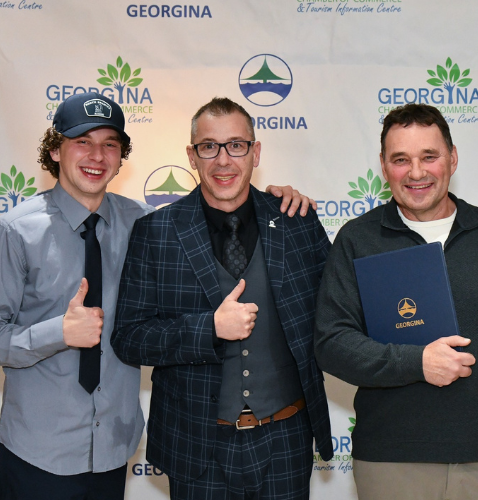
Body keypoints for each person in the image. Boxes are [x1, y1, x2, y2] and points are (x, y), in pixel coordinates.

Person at [0, 93, 312, 500]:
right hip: (37, 451)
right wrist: (56, 332)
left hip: (113, 447)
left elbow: (213, 209)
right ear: (56, 149)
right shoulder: (15, 231)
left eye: (109, 144)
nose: (97, 155)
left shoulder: (142, 222)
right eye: (82, 141)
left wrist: (275, 201)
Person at [312, 103, 478, 500]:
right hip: (392, 461)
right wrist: (417, 363)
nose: (416, 172)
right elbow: (332, 344)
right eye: (401, 160)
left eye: (429, 156)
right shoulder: (358, 239)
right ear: (383, 166)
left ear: (452, 158)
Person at [111, 97, 331, 499]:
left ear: (256, 151)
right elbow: (129, 337)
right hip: (197, 446)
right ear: (192, 156)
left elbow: (338, 314)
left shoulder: (297, 221)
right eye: (209, 147)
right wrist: (207, 329)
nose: (223, 160)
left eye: (236, 145)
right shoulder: (155, 232)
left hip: (285, 439)